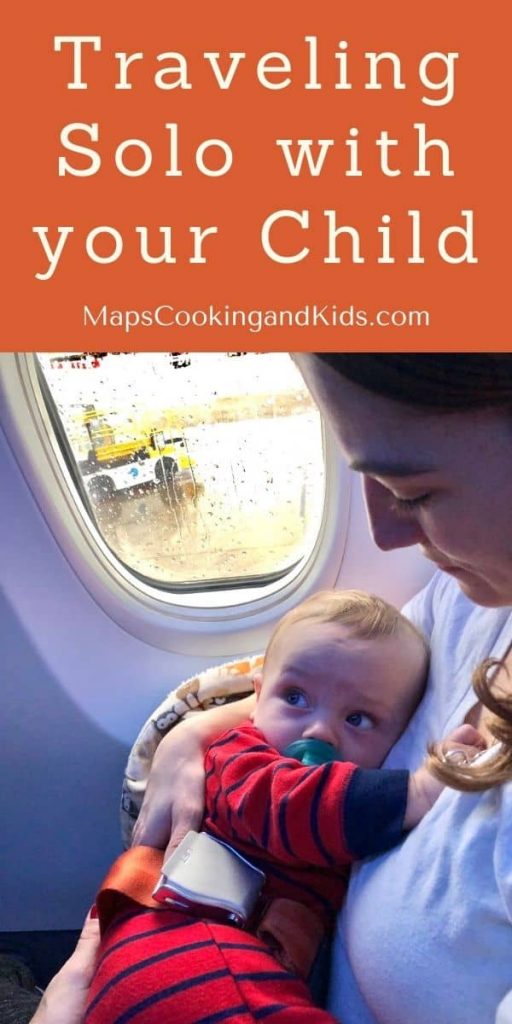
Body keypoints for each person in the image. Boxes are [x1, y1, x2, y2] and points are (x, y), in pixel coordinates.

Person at [29, 354, 512, 1024]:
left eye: (417, 491)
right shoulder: (472, 595)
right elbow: (302, 766)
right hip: (195, 954)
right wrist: (197, 730)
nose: (385, 534)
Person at [85, 589, 477, 1024]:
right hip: (190, 955)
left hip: (237, 965)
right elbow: (294, 806)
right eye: (294, 697)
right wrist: (418, 793)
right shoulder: (239, 759)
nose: (319, 729)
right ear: (257, 696)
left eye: (358, 719)